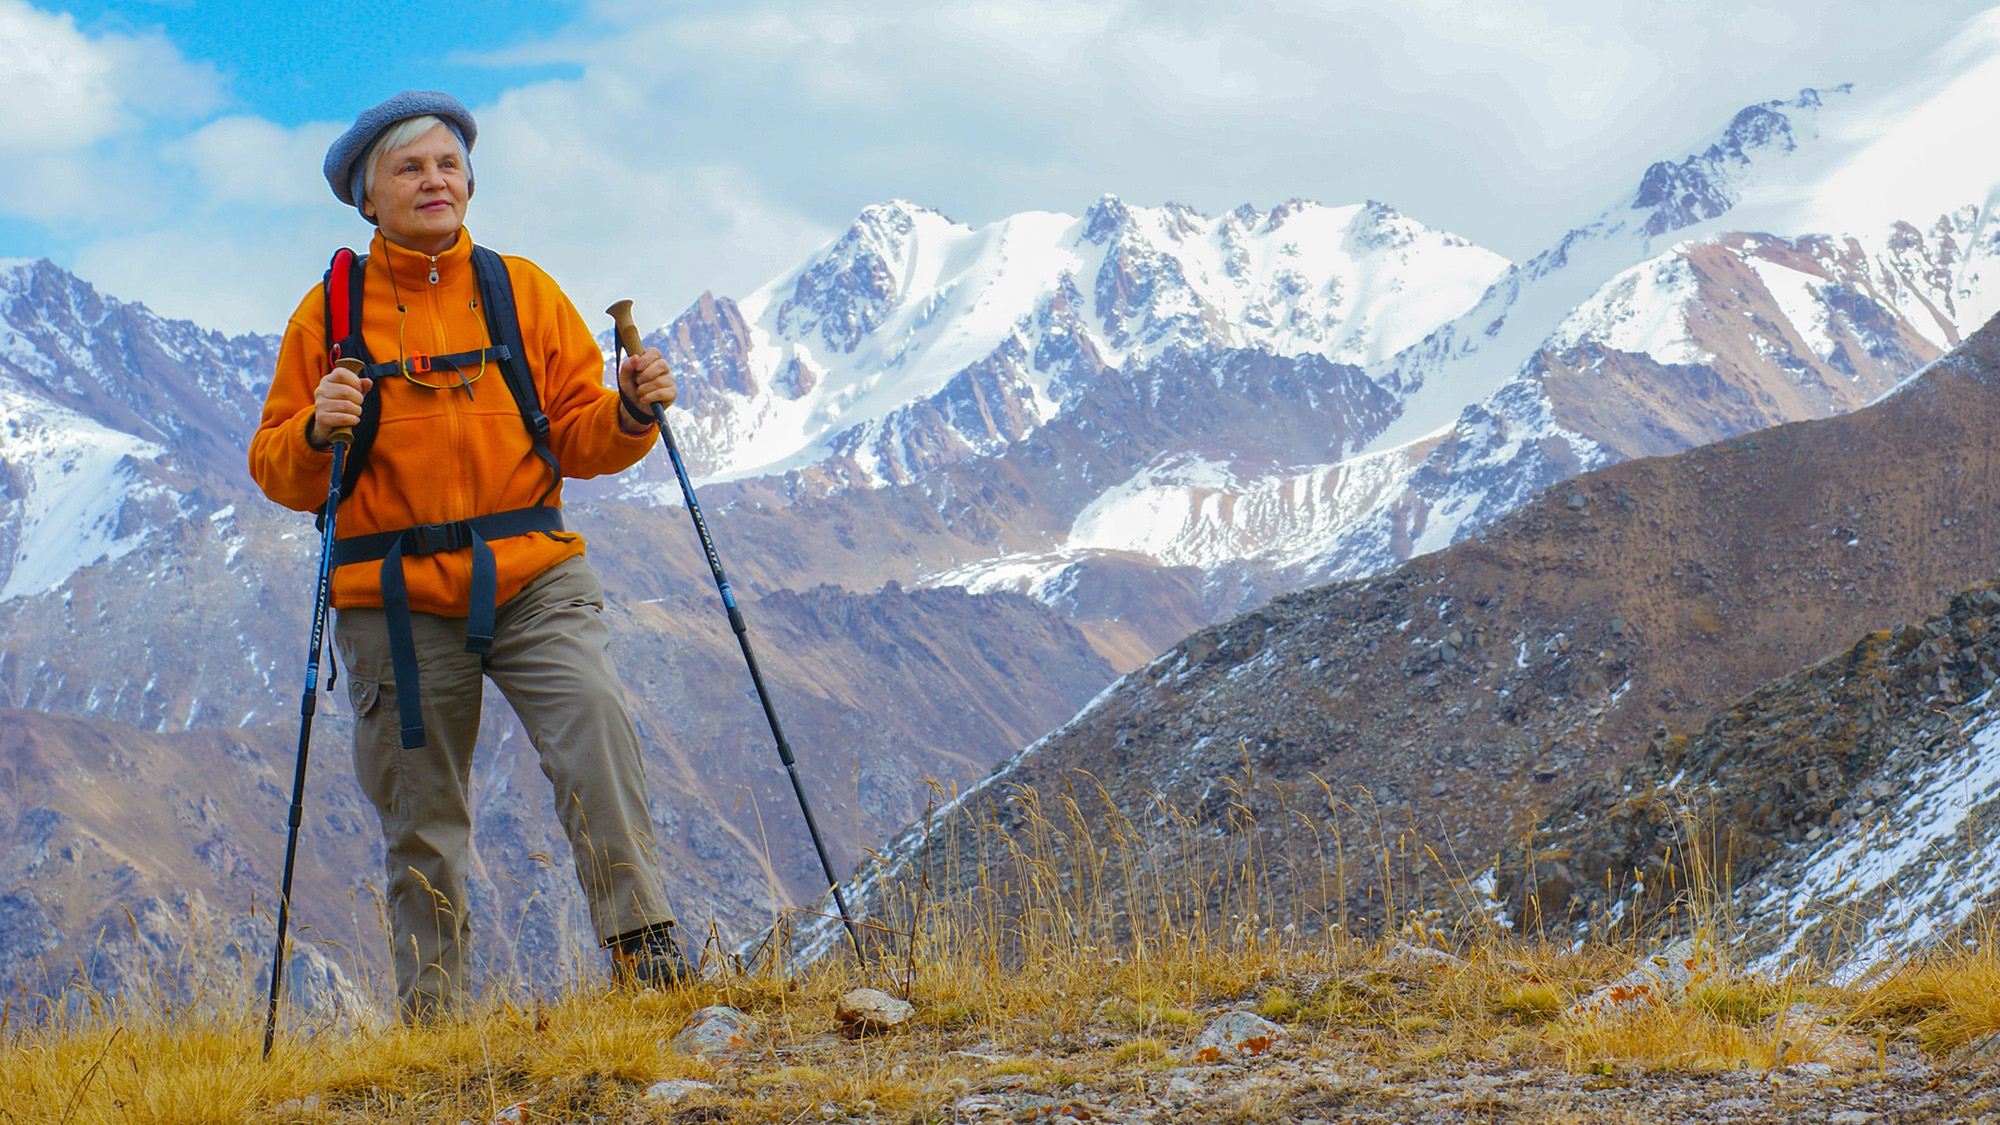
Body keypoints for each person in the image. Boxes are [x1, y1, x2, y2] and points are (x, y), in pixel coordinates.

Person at [248, 90, 689, 1023]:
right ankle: (435, 1024)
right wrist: (316, 432)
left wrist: (630, 412)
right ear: (368, 198)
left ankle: (647, 957)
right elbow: (277, 467)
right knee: (421, 817)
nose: (434, 181)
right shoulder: (327, 318)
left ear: (471, 182)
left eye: (448, 164)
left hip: (534, 576)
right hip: (393, 599)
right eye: (409, 168)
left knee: (596, 731)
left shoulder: (521, 291)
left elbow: (578, 434)